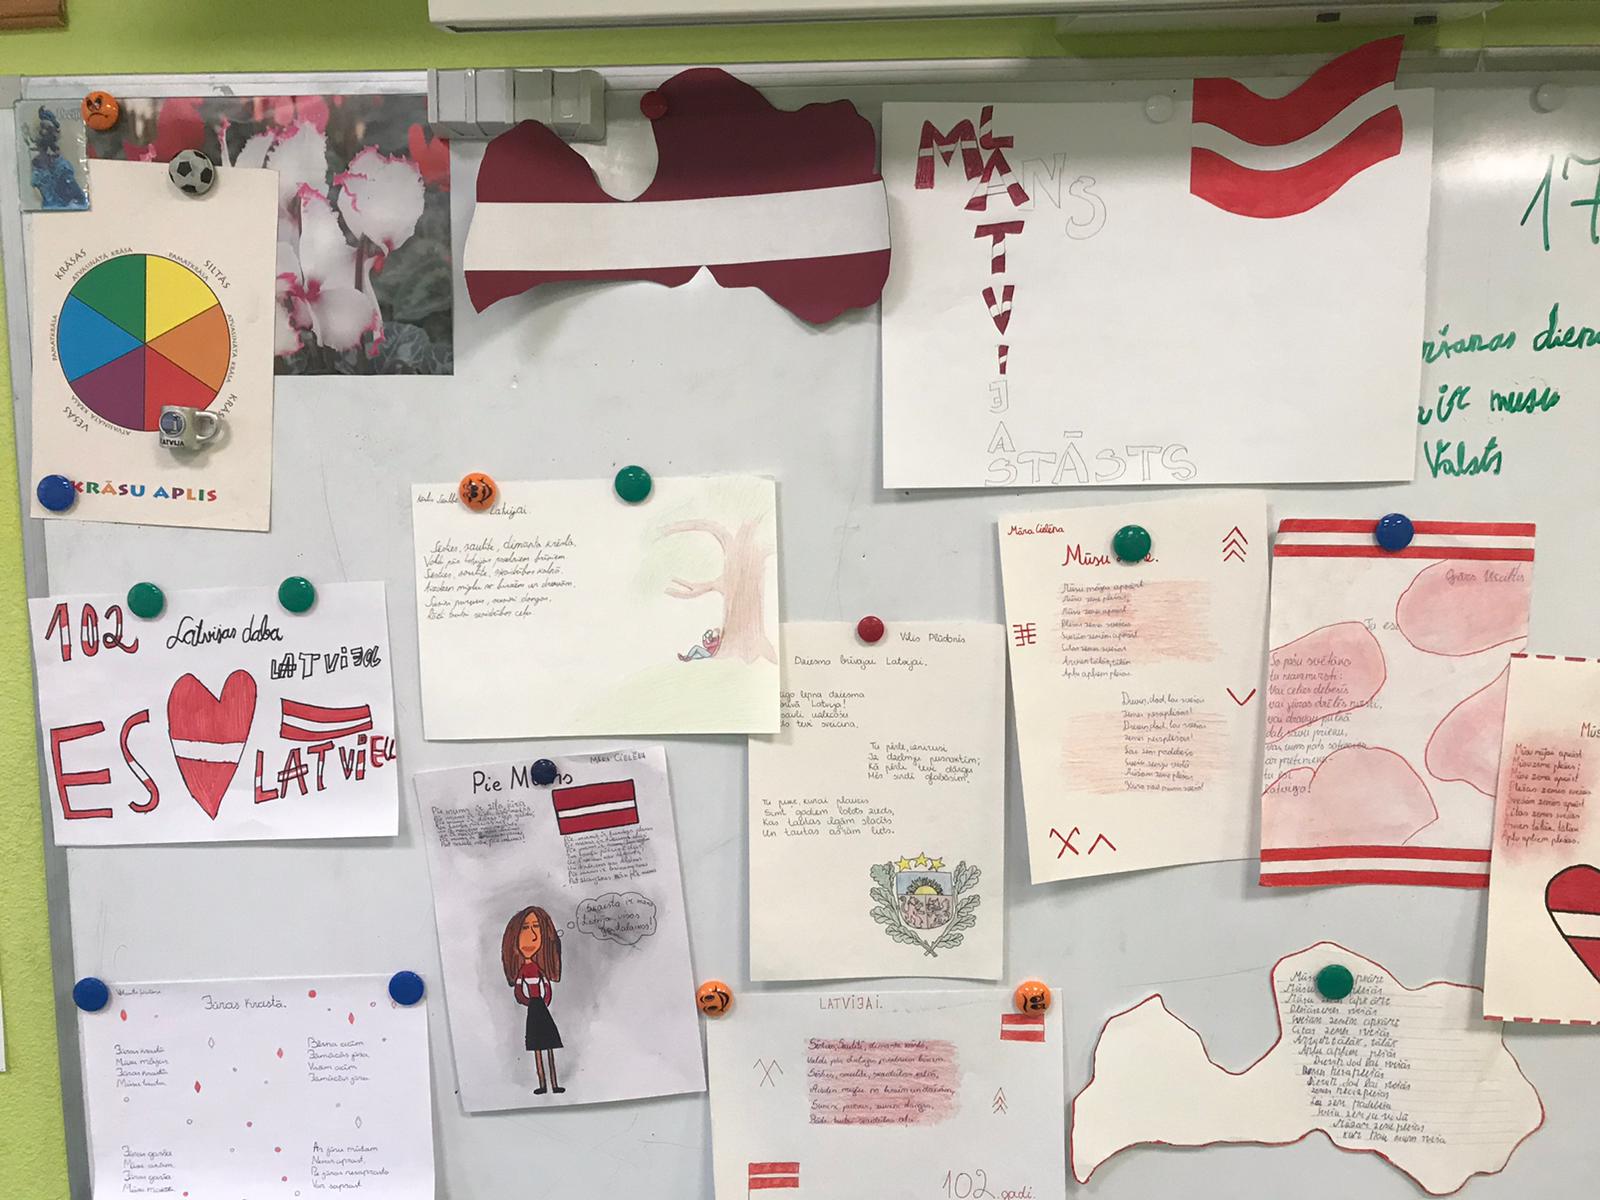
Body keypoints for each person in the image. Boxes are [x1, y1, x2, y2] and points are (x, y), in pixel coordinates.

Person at [500, 905, 564, 1094]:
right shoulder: (522, 971)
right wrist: (529, 1002)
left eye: (537, 928)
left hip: (540, 1007)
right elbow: (519, 990)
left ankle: (554, 1083)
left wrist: (544, 1000)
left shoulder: (539, 970)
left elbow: (546, 987)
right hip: (534, 1008)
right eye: (526, 928)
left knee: (549, 1044)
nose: (533, 937)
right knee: (537, 1044)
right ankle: (543, 1084)